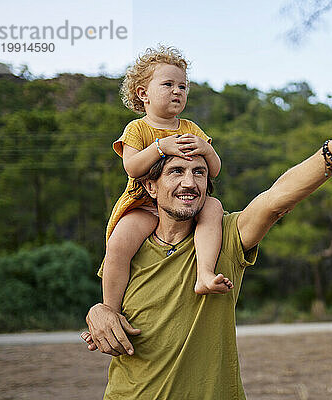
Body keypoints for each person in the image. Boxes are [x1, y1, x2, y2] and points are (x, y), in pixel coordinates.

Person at [85, 90, 332, 399]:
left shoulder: (223, 238)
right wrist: (100, 311)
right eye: (176, 171)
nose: (189, 182)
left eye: (199, 172)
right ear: (151, 187)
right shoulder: (129, 242)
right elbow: (107, 307)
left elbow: (276, 199)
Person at [100, 45, 232, 321]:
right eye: (168, 84)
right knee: (119, 244)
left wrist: (206, 149)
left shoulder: (191, 129)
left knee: (214, 207)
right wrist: (161, 147)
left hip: (185, 201)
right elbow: (133, 168)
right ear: (143, 93)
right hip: (143, 204)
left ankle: (205, 273)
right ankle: (111, 308)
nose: (177, 91)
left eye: (183, 87)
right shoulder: (138, 128)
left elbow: (215, 170)